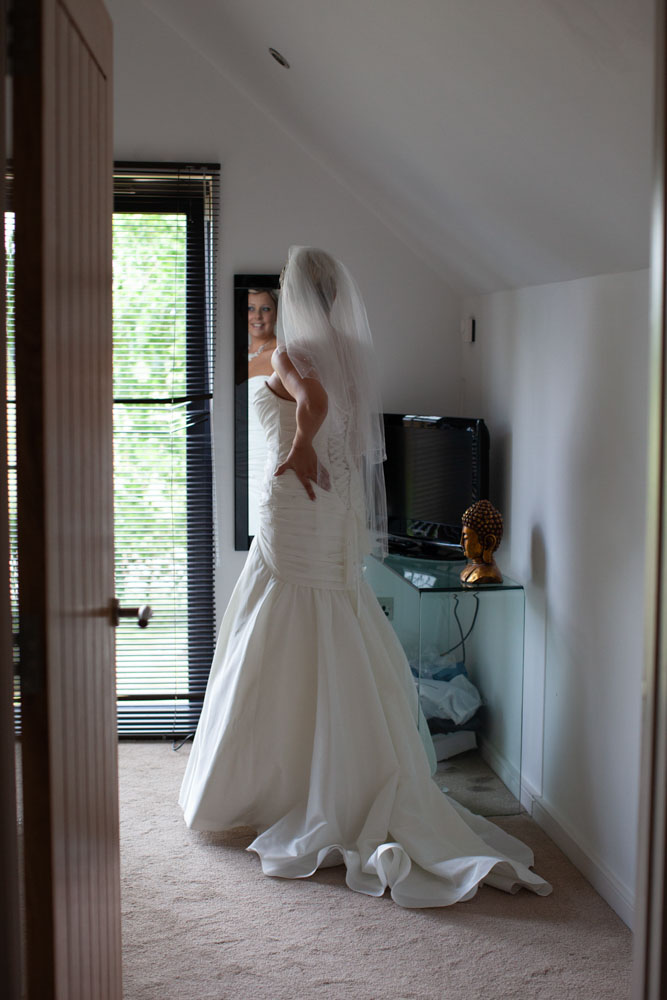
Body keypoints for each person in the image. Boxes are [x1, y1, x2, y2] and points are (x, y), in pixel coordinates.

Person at [179, 246, 551, 907]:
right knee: (328, 620)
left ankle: (274, 780)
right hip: (333, 509)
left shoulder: (296, 355)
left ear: (293, 298)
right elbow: (350, 438)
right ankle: (337, 770)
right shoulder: (351, 350)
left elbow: (313, 404)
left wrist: (296, 452)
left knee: (278, 622)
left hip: (296, 504)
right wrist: (316, 457)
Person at [246, 288, 279, 537]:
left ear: (276, 314)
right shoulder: (236, 355)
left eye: (265, 308)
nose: (257, 316)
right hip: (240, 450)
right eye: (250, 308)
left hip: (266, 449)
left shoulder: (282, 354)